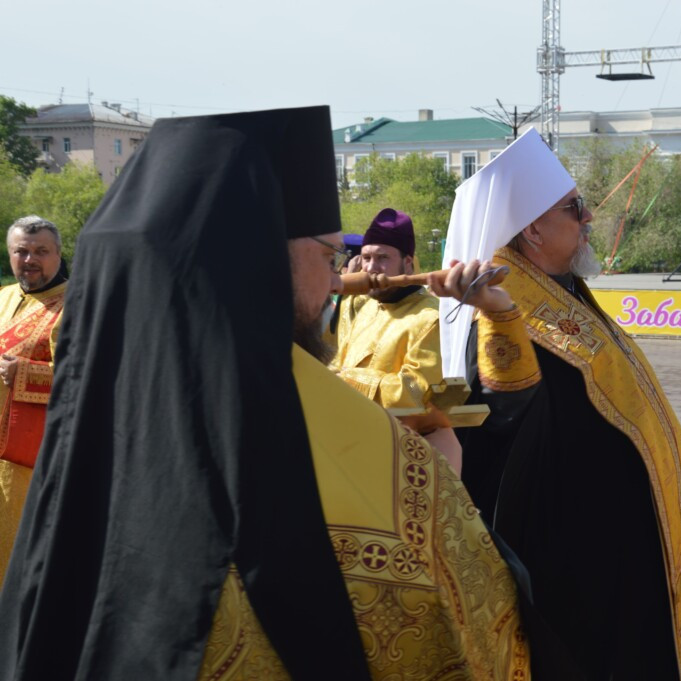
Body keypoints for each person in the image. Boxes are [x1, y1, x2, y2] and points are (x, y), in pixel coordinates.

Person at [0, 107, 529, 681]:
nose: (340, 279)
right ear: (263, 265)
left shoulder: (89, 438)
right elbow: (478, 626)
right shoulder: (386, 465)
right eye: (328, 257)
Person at [432, 128, 681, 679]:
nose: (589, 217)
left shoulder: (564, 293)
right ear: (532, 229)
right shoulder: (501, 313)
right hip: (572, 563)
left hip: (615, 544)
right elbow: (502, 436)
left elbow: (608, 414)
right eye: (574, 207)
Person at [326, 208, 462, 470]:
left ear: (408, 263)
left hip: (402, 454)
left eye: (382, 258)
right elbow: (330, 357)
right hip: (346, 443)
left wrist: (346, 380)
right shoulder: (359, 304)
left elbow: (417, 393)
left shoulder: (430, 317)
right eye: (366, 257)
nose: (370, 267)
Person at [0, 216, 68, 585]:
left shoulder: (77, 305)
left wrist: (24, 373)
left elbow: (89, 377)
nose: (30, 260)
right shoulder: (4, 296)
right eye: (21, 251)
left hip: (32, 458)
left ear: (59, 254)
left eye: (41, 251)